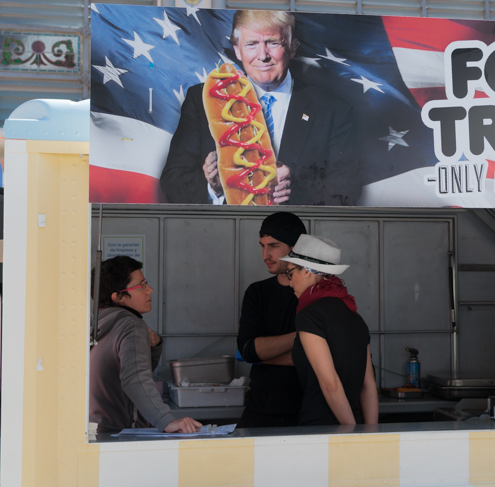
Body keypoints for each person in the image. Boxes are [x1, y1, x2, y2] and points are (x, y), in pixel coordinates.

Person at [160, 10, 359, 206]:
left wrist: (296, 188)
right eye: (251, 44)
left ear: (292, 47)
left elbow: (347, 190)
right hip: (226, 232)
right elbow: (172, 182)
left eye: (273, 43)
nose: (262, 56)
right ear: (237, 50)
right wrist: (215, 187)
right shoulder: (203, 99)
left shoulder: (333, 110)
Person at [89, 256, 201, 434]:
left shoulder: (95, 324)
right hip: (122, 436)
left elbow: (123, 371)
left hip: (96, 431)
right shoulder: (131, 325)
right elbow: (135, 378)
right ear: (118, 297)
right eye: (141, 285)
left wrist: (152, 349)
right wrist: (166, 421)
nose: (150, 290)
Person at [280, 235, 378, 426]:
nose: (290, 283)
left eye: (290, 273)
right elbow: (368, 385)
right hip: (355, 422)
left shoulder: (309, 316)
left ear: (306, 272)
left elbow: (330, 384)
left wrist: (350, 431)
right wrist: (369, 433)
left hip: (321, 428)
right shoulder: (354, 315)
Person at [236, 212, 307, 427]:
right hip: (261, 408)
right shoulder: (257, 292)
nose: (265, 254)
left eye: (274, 246)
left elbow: (334, 354)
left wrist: (263, 354)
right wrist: (303, 338)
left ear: (295, 247)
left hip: (310, 410)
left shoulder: (319, 293)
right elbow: (247, 350)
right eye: (262, 246)